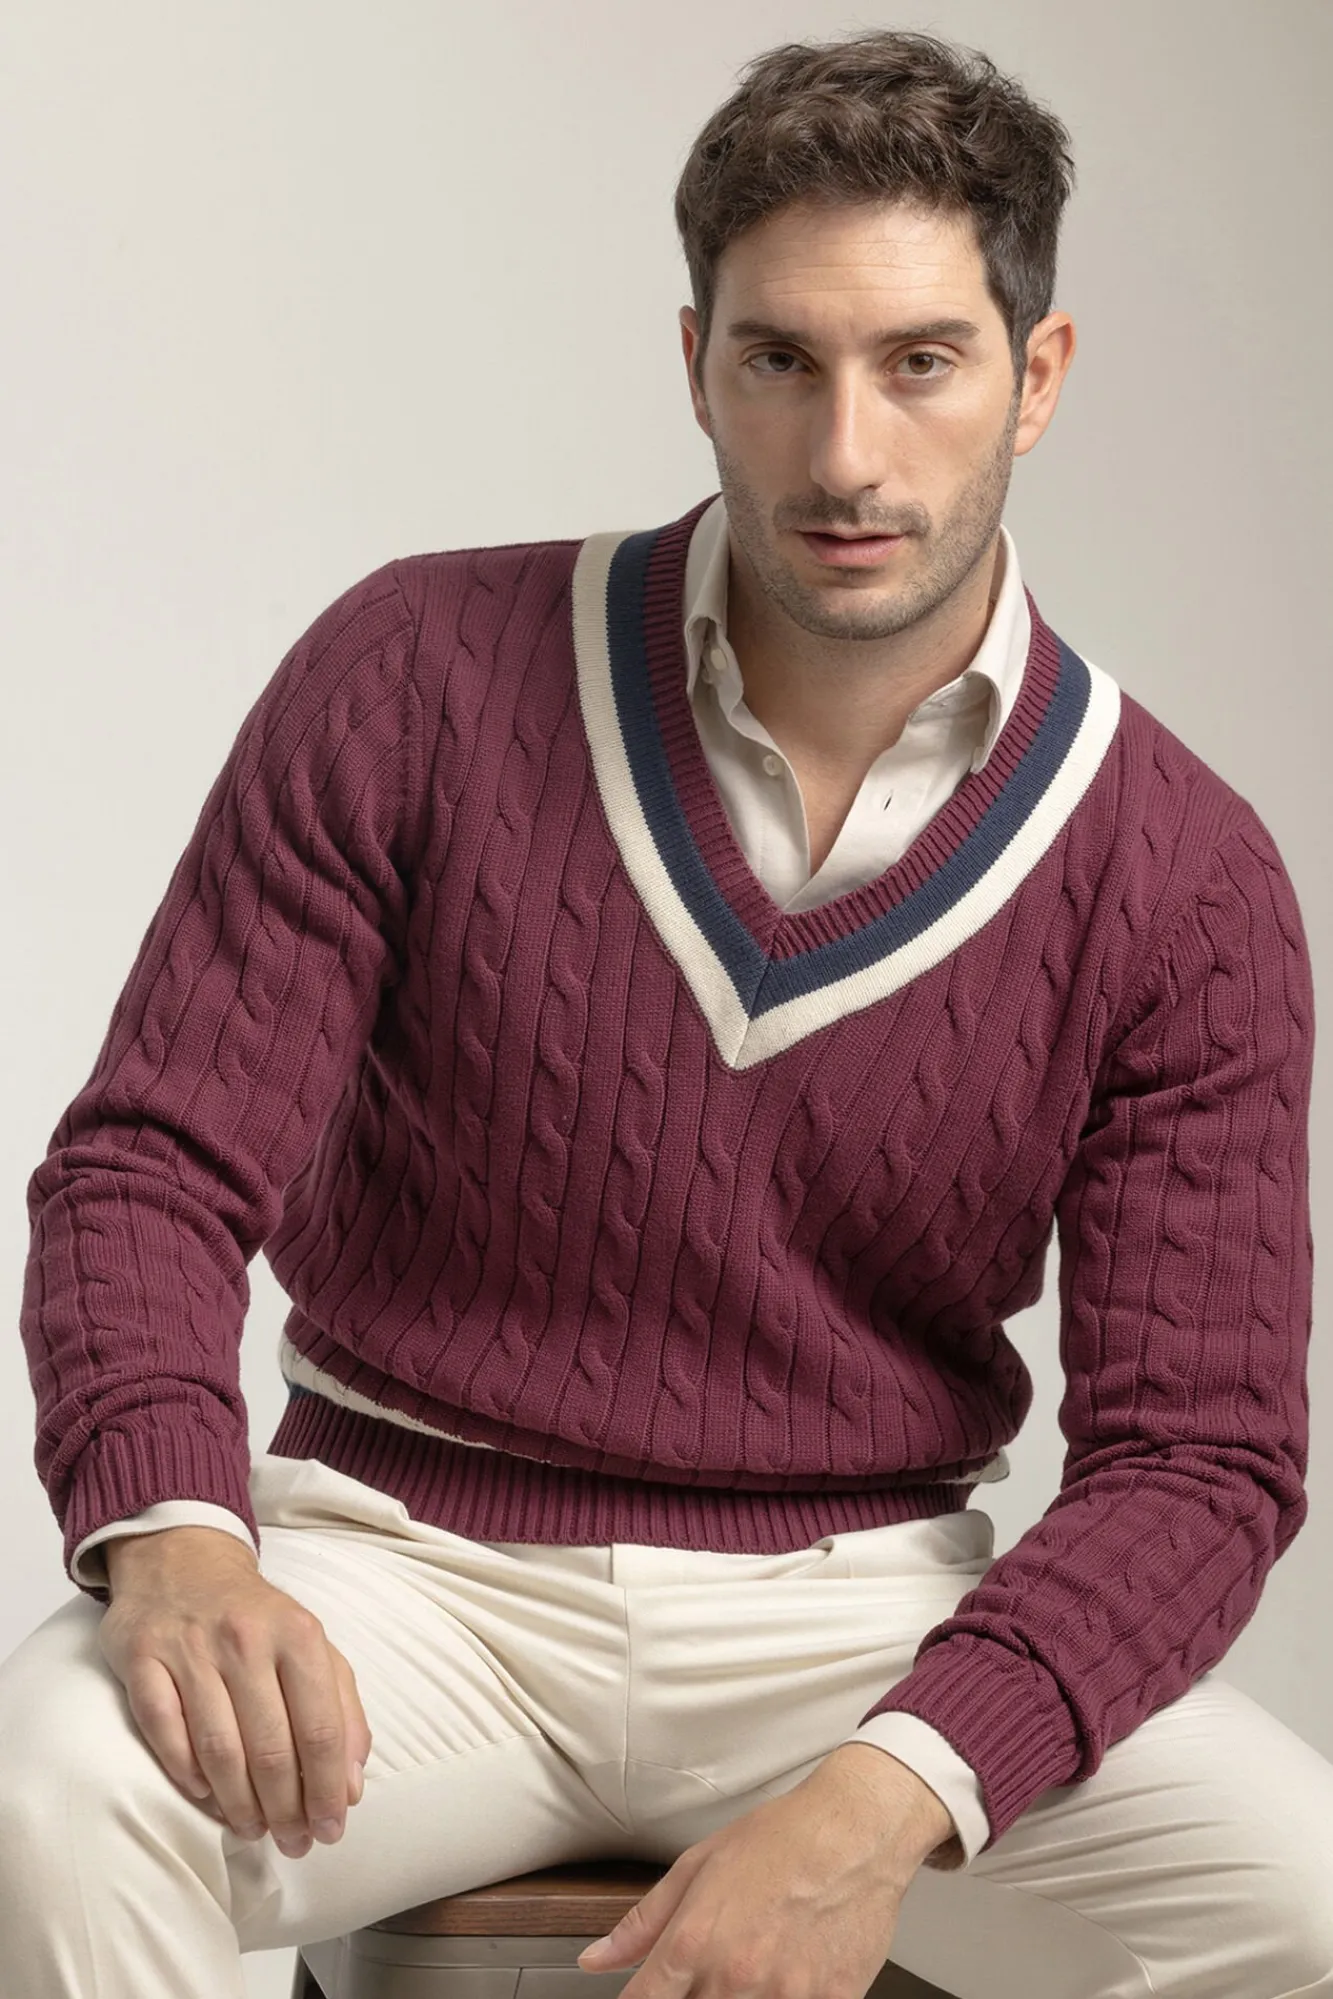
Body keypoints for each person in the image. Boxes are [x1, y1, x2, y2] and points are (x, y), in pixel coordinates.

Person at [3, 24, 1330, 1999]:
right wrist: (177, 1535)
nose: (847, 454)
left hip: (862, 1628)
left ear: (1038, 376)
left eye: (921, 362)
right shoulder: (415, 675)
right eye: (781, 361)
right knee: (53, 1797)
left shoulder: (1185, 876)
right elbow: (147, 1169)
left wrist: (888, 1793)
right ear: (696, 360)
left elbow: (1200, 1459)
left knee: (1303, 1902)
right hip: (408, 1580)